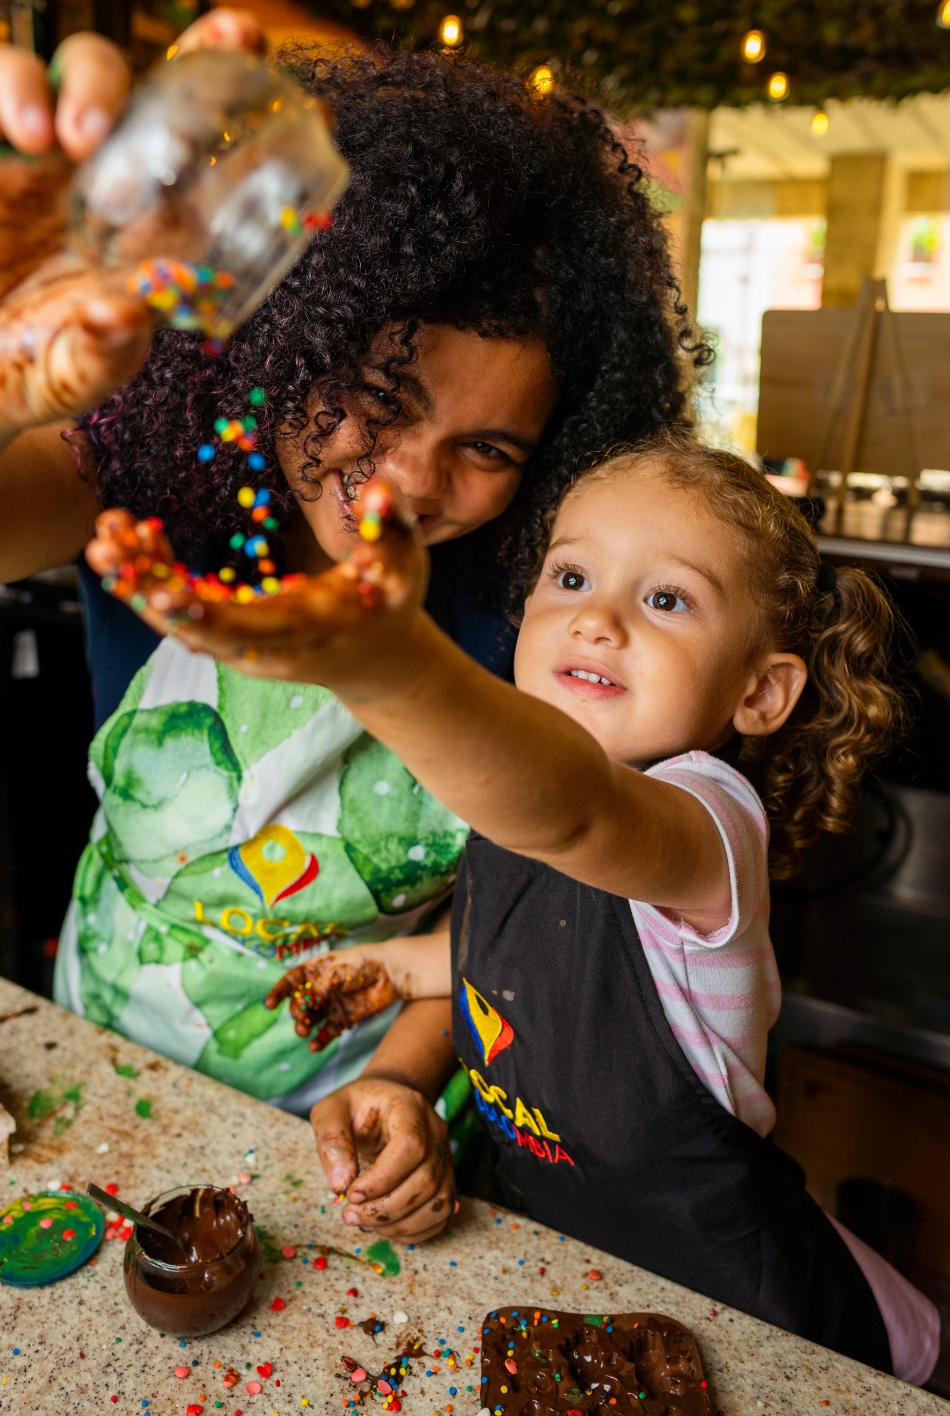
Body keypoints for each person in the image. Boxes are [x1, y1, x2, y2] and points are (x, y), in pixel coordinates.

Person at [0, 11, 706, 1244]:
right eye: (379, 397)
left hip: (349, 1129)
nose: (404, 485)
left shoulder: (548, 609)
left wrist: (400, 1080)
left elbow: (499, 925)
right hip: (105, 1045)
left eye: (486, 450)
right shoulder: (166, 472)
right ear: (292, 334)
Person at [86, 432, 938, 1382]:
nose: (597, 620)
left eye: (666, 598)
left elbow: (575, 811)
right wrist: (397, 1025)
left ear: (760, 691)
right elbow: (504, 961)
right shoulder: (506, 817)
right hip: (562, 1258)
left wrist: (384, 663)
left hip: (753, 1315)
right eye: (571, 577)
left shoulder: (706, 831)